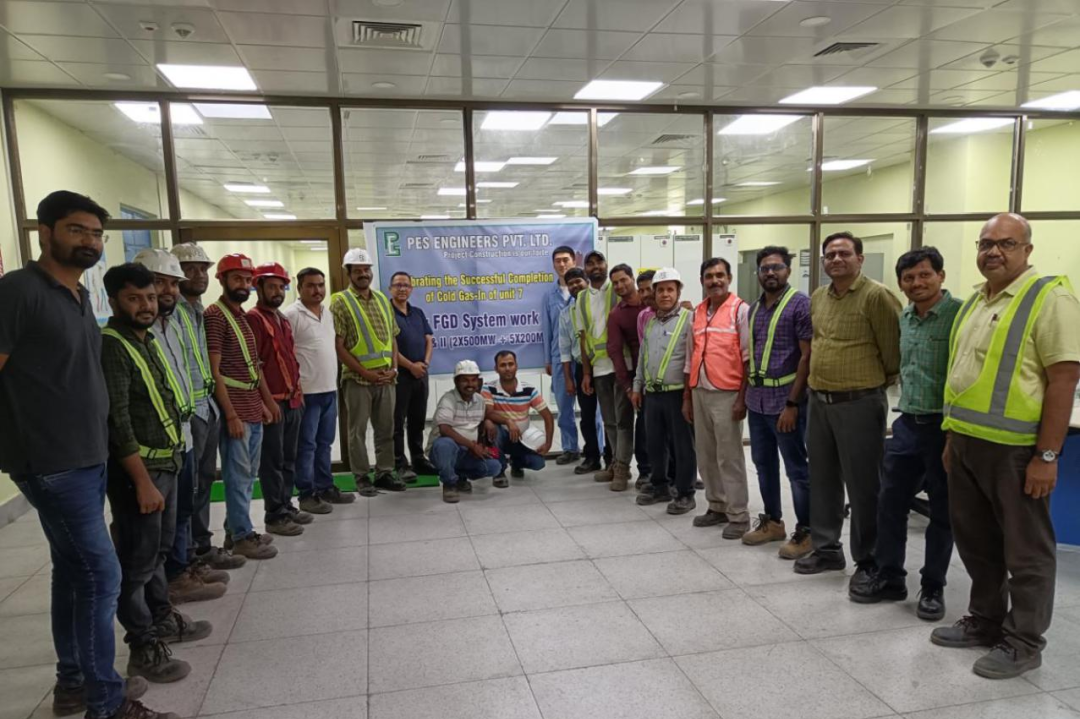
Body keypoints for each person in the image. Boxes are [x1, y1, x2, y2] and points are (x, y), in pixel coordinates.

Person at [0, 191, 176, 719]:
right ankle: (106, 701)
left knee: (73, 573)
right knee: (102, 575)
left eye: (96, 233)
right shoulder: (18, 291)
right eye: (77, 230)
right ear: (45, 233)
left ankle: (73, 682)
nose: (90, 241)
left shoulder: (77, 296)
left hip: (85, 457)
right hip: (52, 461)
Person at [932, 213, 1080, 680]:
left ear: (1027, 250)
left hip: (1016, 452)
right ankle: (986, 619)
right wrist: (953, 438)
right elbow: (964, 377)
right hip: (968, 444)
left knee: (1026, 552)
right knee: (977, 543)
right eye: (986, 243)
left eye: (1006, 243)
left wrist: (1047, 456)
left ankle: (1023, 642)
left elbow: (1064, 380)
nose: (993, 251)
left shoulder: (1050, 299)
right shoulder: (977, 301)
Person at [100, 263, 213, 684]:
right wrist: (143, 482)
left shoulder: (145, 340)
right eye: (135, 298)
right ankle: (143, 646)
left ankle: (162, 617)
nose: (146, 305)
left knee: (159, 552)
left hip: (168, 461)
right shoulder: (113, 346)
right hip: (141, 474)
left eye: (149, 297)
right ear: (113, 301)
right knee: (137, 562)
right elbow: (118, 421)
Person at [850, 248, 960, 619]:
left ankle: (933, 586)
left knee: (942, 510)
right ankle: (891, 576)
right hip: (908, 424)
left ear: (941, 276)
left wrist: (955, 434)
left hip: (945, 428)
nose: (917, 283)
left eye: (925, 275)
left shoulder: (959, 316)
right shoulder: (906, 318)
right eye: (909, 278)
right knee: (890, 503)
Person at [796, 231, 901, 587]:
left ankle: (868, 559)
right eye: (830, 255)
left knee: (864, 485)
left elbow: (893, 353)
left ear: (860, 258)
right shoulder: (818, 297)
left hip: (859, 403)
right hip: (820, 401)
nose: (836, 259)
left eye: (844, 253)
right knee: (823, 479)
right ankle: (827, 548)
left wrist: (868, 385)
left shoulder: (877, 296)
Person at [132, 249, 227, 606]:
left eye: (173, 283)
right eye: (160, 283)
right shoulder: (134, 332)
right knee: (163, 519)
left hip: (194, 420)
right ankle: (171, 579)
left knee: (189, 500)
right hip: (161, 439)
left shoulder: (179, 319)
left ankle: (186, 562)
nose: (167, 290)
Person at [171, 243, 245, 573]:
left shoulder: (198, 310)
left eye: (202, 269)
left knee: (202, 483)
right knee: (189, 488)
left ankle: (201, 545)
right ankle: (186, 556)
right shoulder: (170, 313)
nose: (199, 275)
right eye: (190, 269)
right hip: (188, 413)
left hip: (206, 407)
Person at [205, 253, 278, 560]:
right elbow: (214, 370)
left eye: (248, 280)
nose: (244, 284)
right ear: (222, 280)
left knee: (248, 475)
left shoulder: (240, 315)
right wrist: (231, 414)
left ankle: (236, 529)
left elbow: (251, 365)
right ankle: (242, 536)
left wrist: (264, 401)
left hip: (251, 405)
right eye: (237, 278)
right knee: (237, 476)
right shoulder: (215, 316)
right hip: (234, 409)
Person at [742, 247, 813, 559]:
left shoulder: (800, 305)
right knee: (763, 464)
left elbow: (807, 356)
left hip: (786, 402)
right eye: (765, 268)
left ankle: (808, 530)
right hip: (757, 402)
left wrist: (793, 404)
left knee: (796, 469)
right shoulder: (755, 308)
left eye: (777, 267)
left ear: (788, 270)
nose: (770, 273)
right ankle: (772, 522)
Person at [683, 258, 751, 537]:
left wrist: (742, 398)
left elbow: (748, 358)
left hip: (727, 393)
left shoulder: (741, 310)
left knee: (729, 456)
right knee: (706, 454)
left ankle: (739, 514)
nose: (715, 281)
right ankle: (717, 505)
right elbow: (689, 357)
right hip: (699, 390)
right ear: (702, 281)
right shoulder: (697, 313)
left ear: (729, 278)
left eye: (720, 275)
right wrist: (687, 398)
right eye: (709, 276)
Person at [331, 247, 403, 495]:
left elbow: (393, 339)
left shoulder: (382, 299)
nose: (363, 274)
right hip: (357, 380)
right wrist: (365, 372)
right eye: (358, 270)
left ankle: (385, 472)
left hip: (386, 378)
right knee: (357, 432)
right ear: (349, 273)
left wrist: (394, 368)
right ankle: (361, 476)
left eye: (366, 269)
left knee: (386, 430)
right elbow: (339, 346)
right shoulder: (340, 301)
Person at [283, 267, 355, 514]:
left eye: (321, 285)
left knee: (325, 443)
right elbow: (286, 355)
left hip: (329, 389)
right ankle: (306, 494)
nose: (317, 290)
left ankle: (325, 487)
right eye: (311, 285)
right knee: (306, 446)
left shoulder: (328, 313)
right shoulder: (291, 315)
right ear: (299, 288)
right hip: (307, 393)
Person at [249, 262, 310, 536]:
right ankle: (275, 515)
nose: (277, 292)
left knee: (288, 458)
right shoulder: (254, 319)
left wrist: (298, 392)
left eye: (281, 287)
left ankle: (286, 505)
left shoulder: (282, 319)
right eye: (271, 286)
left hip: (292, 400)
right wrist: (267, 402)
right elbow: (255, 365)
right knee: (272, 462)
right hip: (273, 403)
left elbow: (289, 359)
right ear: (259, 288)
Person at [632, 268, 696, 514]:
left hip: (678, 393)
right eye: (660, 290)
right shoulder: (650, 322)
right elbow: (643, 357)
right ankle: (660, 486)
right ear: (655, 294)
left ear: (678, 292)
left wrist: (689, 396)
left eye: (670, 289)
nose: (665, 294)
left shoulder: (689, 319)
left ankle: (685, 492)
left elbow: (692, 358)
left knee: (683, 446)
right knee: (655, 443)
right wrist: (637, 386)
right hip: (652, 394)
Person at [579, 250, 626, 485]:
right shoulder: (581, 298)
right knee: (609, 422)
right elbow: (583, 337)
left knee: (623, 422)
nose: (595, 266)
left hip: (621, 367)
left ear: (606, 265)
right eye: (590, 263)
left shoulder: (617, 289)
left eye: (600, 262)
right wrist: (586, 372)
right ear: (585, 269)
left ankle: (623, 469)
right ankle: (615, 464)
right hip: (599, 369)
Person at [429, 360, 503, 504]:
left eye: (474, 380)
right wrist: (472, 445)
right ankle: (449, 484)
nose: (470, 384)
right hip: (444, 451)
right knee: (445, 444)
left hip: (467, 451)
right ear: (456, 381)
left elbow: (480, 424)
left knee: (494, 467)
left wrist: (487, 422)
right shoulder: (448, 399)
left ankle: (460, 477)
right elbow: (444, 429)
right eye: (465, 380)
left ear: (479, 382)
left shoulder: (480, 400)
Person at [559, 268, 608, 475]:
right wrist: (569, 379)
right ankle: (592, 457)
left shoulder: (601, 304)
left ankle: (612, 458)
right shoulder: (566, 314)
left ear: (587, 281)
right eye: (570, 284)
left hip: (604, 365)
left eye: (578, 281)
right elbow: (564, 350)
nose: (574, 286)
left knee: (610, 415)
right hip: (581, 368)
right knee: (587, 416)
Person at [389, 271, 436, 481]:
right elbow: (390, 346)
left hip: (421, 375)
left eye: (406, 285)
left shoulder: (417, 312)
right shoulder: (386, 313)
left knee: (418, 420)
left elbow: (428, 339)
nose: (402, 289)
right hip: (400, 376)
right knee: (397, 422)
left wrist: (424, 363)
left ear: (411, 289)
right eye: (398, 285)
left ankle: (418, 459)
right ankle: (400, 463)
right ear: (390, 289)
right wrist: (410, 366)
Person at [607, 263, 649, 491]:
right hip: (629, 375)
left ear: (632, 279)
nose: (620, 285)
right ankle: (621, 468)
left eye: (623, 280)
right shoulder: (616, 314)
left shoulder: (650, 303)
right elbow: (614, 350)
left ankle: (653, 471)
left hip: (655, 374)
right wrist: (627, 386)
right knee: (623, 423)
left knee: (649, 425)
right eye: (615, 283)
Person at [484, 349, 554, 484]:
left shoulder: (529, 390)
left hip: (522, 439)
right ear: (496, 369)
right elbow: (488, 412)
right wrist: (508, 421)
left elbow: (548, 416)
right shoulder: (488, 388)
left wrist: (548, 443)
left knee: (538, 463)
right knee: (492, 428)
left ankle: (516, 463)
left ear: (516, 366)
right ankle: (499, 471)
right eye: (503, 365)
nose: (507, 368)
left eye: (511, 364)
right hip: (501, 436)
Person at [542, 245, 582, 466]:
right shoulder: (549, 296)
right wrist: (548, 359)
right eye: (558, 260)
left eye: (566, 259)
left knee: (592, 409)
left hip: (585, 359)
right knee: (564, 408)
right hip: (559, 359)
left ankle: (598, 447)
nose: (562, 264)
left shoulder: (584, 291)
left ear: (574, 261)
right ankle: (570, 448)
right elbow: (546, 330)